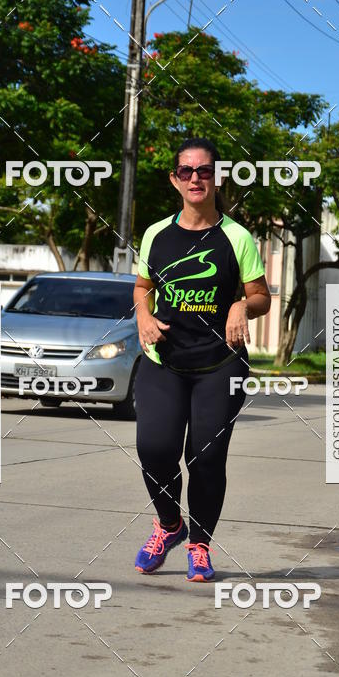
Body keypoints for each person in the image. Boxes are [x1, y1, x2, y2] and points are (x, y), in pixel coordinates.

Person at [132, 137, 271, 582]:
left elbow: (262, 297)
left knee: (205, 458)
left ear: (217, 177)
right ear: (175, 179)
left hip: (220, 364)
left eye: (205, 170)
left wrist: (240, 306)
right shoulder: (156, 233)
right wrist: (143, 318)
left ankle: (200, 544)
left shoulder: (237, 237)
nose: (196, 177)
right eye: (187, 171)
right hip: (163, 360)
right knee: (154, 449)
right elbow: (142, 287)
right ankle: (169, 525)